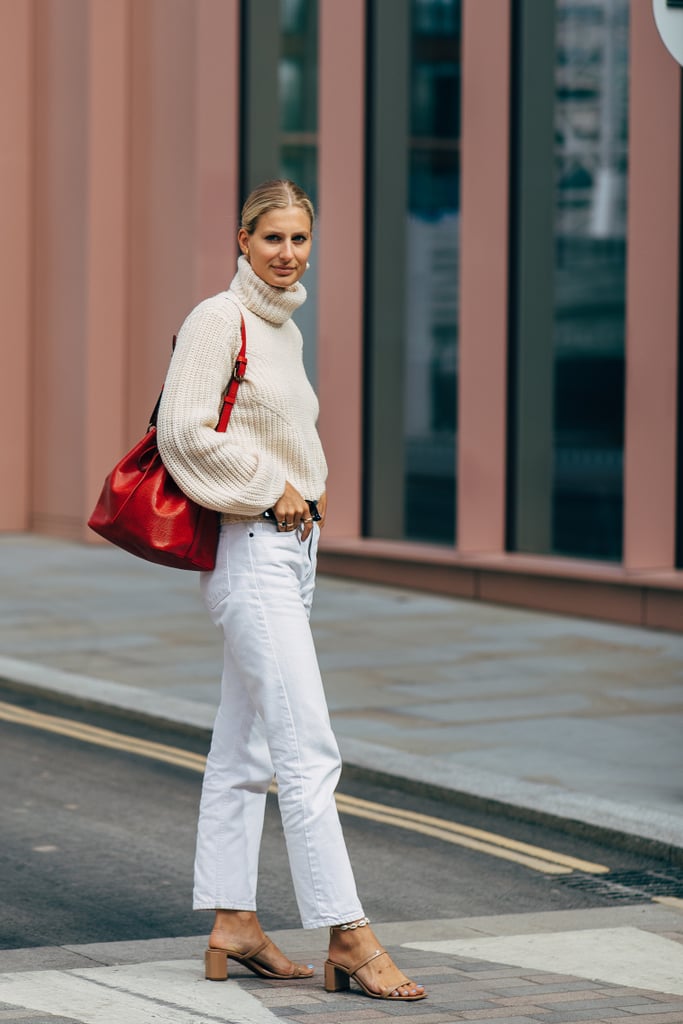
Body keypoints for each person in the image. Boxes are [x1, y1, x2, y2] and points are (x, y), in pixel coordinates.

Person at [157, 179, 426, 1003]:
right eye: (271, 238)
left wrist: (294, 497)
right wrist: (269, 480)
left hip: (290, 553)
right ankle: (348, 932)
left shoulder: (284, 329)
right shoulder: (218, 319)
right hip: (249, 549)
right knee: (308, 750)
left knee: (245, 753)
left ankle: (234, 921)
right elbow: (182, 429)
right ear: (241, 240)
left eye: (300, 239)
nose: (286, 253)